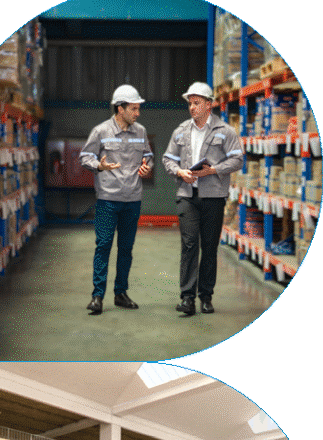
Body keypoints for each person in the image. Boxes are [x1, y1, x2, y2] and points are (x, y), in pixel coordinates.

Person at [163, 82, 244, 315]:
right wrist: (180, 172)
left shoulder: (225, 131)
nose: (192, 107)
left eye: (197, 103)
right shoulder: (180, 131)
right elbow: (168, 159)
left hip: (213, 197)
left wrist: (214, 170)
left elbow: (238, 160)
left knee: (209, 247)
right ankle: (187, 298)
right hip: (187, 196)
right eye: (190, 103)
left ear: (209, 105)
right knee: (189, 245)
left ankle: (206, 296)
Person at [80, 85, 153, 315]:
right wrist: (98, 165)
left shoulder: (140, 132)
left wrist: (147, 168)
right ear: (120, 108)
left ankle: (120, 293)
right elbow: (85, 156)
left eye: (138, 109)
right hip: (108, 200)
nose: (137, 113)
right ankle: (97, 296)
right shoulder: (101, 131)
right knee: (103, 247)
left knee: (126, 248)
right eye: (134, 108)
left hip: (132, 199)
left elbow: (149, 157)